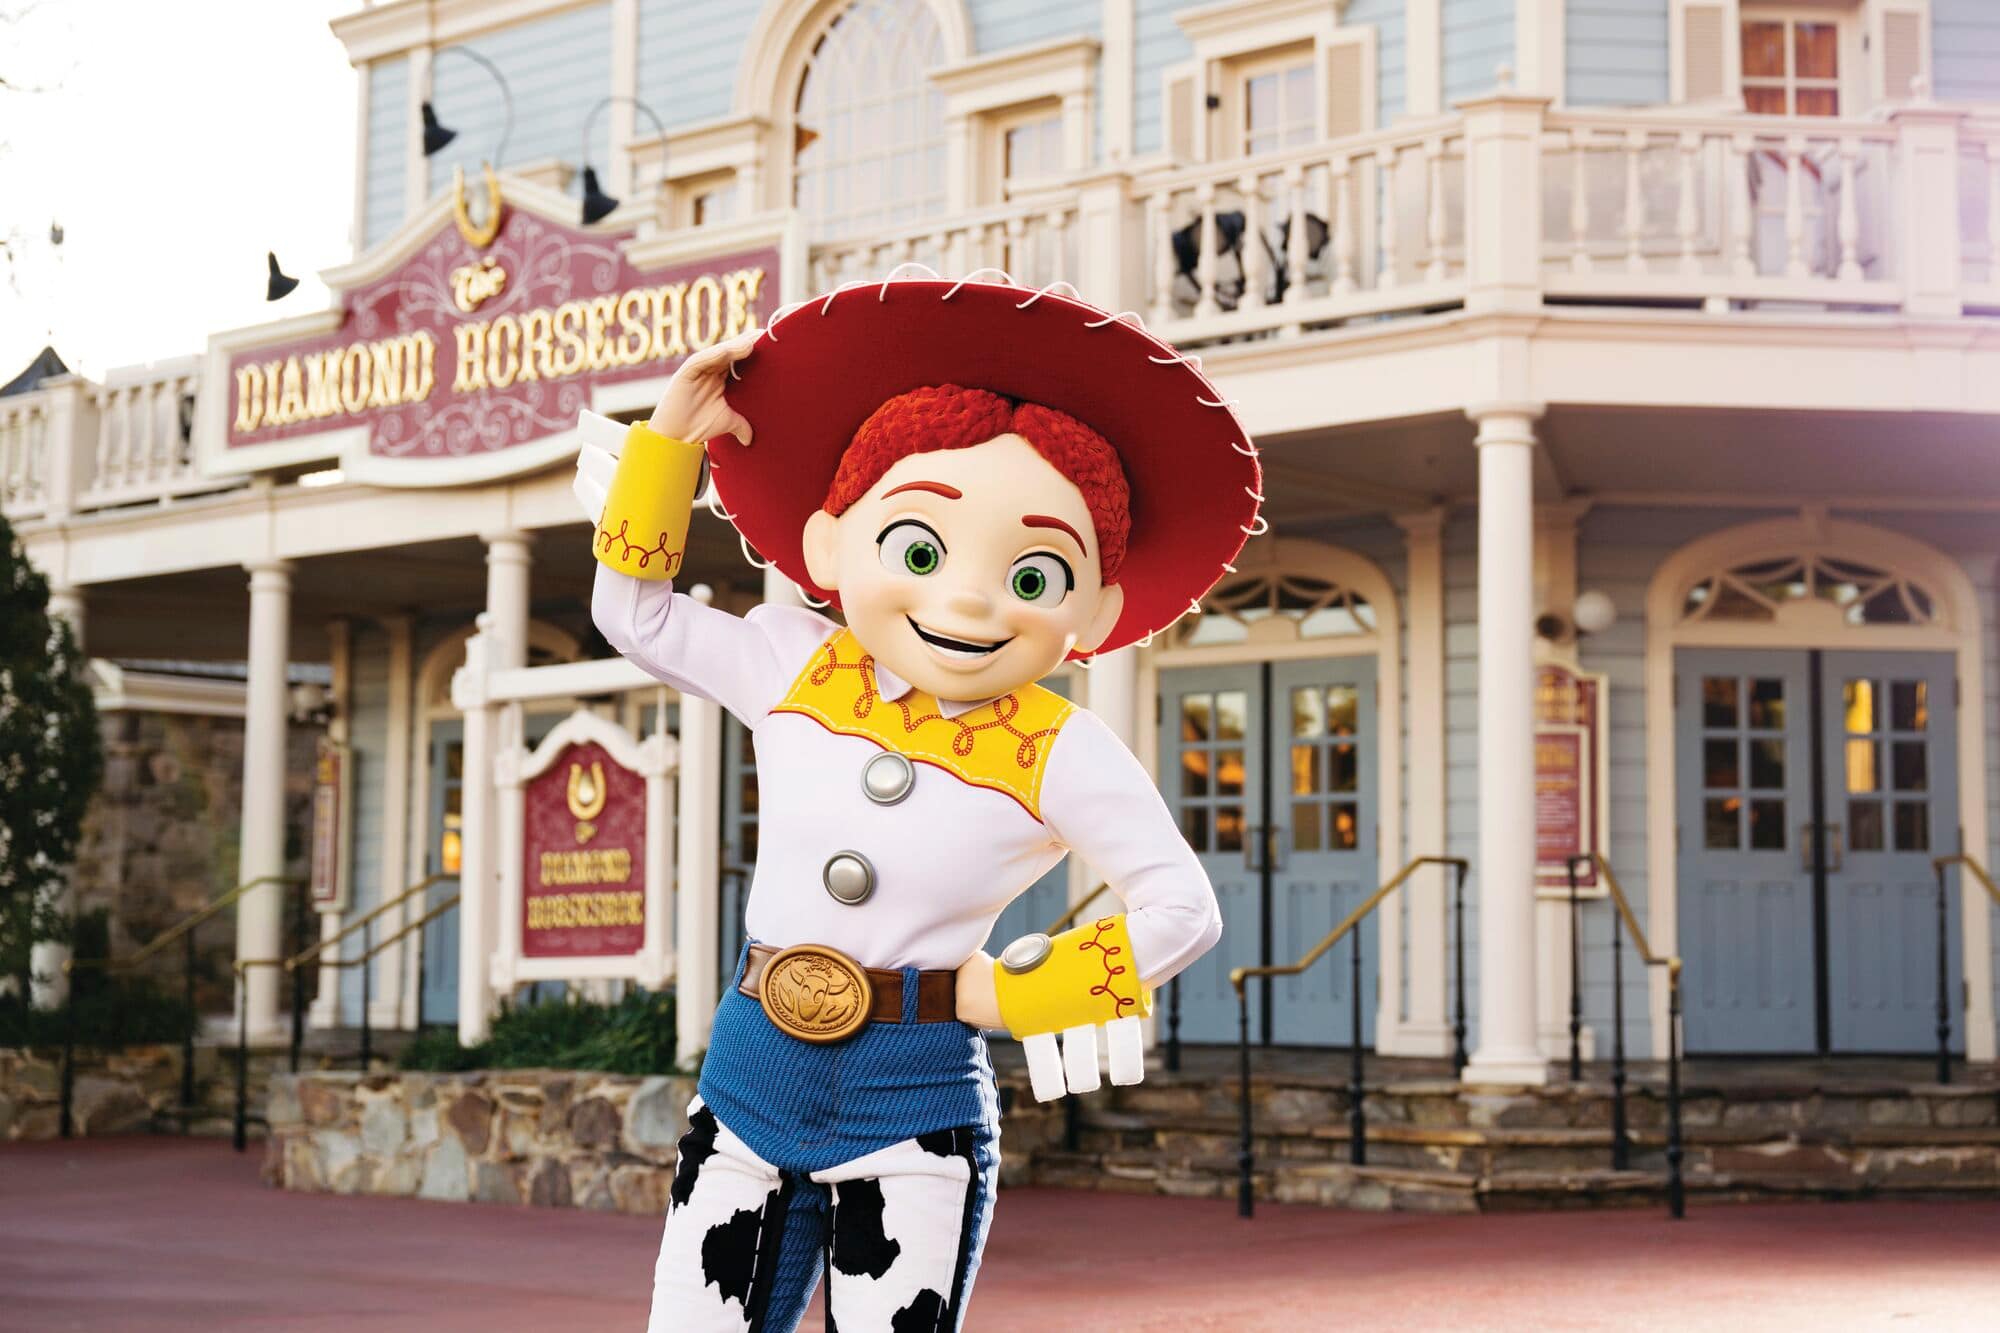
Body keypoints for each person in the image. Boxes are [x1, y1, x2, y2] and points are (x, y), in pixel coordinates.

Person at [572, 277, 1261, 1332]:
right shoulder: (792, 663)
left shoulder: (1060, 748)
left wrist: (1010, 993)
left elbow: (1183, 909)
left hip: (913, 1093)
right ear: (831, 545)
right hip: (753, 1063)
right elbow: (633, 612)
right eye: (922, 551)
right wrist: (669, 442)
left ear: (1096, 611)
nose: (971, 600)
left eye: (1032, 575)